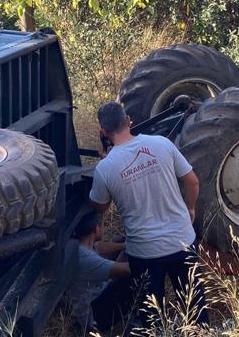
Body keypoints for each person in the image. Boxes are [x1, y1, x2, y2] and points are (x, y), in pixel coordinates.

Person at [88, 102, 208, 327]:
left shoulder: (105, 168)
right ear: (129, 121)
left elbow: (99, 207)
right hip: (182, 240)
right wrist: (189, 207)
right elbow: (192, 181)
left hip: (144, 253)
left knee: (151, 316)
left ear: (102, 132)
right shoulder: (161, 144)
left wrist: (105, 161)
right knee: (195, 307)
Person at [65, 210, 133, 333]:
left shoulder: (80, 246)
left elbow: (100, 247)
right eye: (103, 225)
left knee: (118, 240)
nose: (104, 228)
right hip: (93, 316)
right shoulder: (87, 259)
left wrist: (124, 245)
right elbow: (128, 270)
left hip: (94, 297)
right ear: (97, 229)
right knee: (131, 279)